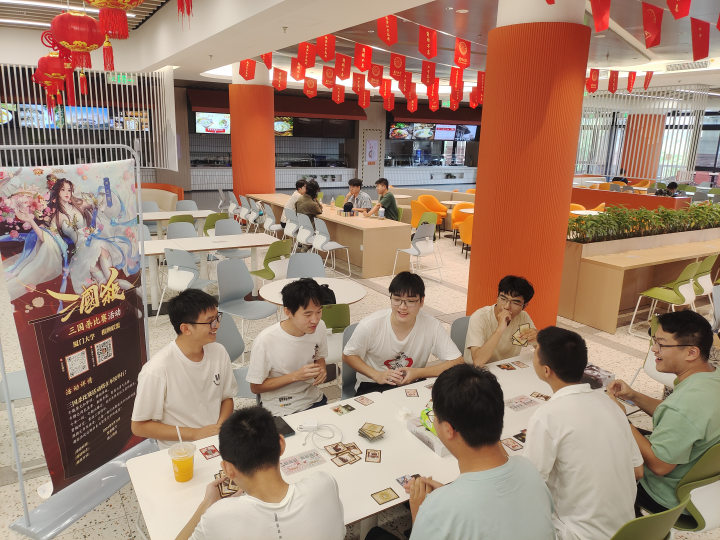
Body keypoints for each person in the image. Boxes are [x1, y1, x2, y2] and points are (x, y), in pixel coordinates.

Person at [397, 364, 556, 540]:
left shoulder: (436, 512)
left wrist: (420, 513)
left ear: (448, 429)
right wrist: (449, 495)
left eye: (434, 416)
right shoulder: (529, 469)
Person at [524, 326, 643, 540]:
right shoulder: (610, 404)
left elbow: (530, 487)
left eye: (535, 354)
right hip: (626, 529)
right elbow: (637, 470)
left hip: (577, 534)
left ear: (546, 370)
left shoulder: (547, 416)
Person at [607, 311, 720, 516]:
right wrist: (633, 396)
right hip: (700, 486)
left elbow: (659, 466)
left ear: (691, 352)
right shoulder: (712, 378)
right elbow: (677, 419)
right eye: (655, 341)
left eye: (661, 344)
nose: (654, 349)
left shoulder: (683, 405)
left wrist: (620, 417)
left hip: (662, 494)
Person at [176, 406, 346, 540]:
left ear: (228, 469)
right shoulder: (325, 483)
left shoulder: (217, 516)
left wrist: (206, 504)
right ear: (281, 444)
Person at [131, 290, 238, 449]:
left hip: (217, 440)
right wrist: (196, 434)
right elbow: (139, 426)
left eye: (217, 318)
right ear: (186, 329)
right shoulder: (157, 370)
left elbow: (227, 398)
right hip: (182, 451)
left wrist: (218, 429)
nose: (217, 325)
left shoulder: (219, 352)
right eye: (210, 321)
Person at [342, 272, 463, 395]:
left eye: (410, 301)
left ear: (422, 301)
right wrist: (377, 375)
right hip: (374, 383)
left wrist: (418, 373)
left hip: (413, 381)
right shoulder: (371, 324)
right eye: (397, 299)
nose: (402, 307)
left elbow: (457, 362)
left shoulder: (431, 325)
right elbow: (348, 355)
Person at [247, 278, 328, 415]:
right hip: (280, 406)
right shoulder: (266, 341)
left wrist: (322, 369)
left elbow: (319, 357)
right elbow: (255, 387)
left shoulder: (319, 327)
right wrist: (295, 376)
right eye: (307, 314)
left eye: (319, 311)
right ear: (288, 312)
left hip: (312, 399)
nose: (315, 320)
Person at [464, 275, 538, 366]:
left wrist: (539, 338)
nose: (506, 307)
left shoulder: (523, 317)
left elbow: (542, 351)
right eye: (503, 299)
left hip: (506, 369)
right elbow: (477, 361)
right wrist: (500, 329)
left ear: (525, 306)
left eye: (515, 303)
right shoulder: (479, 317)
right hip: (477, 371)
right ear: (497, 296)